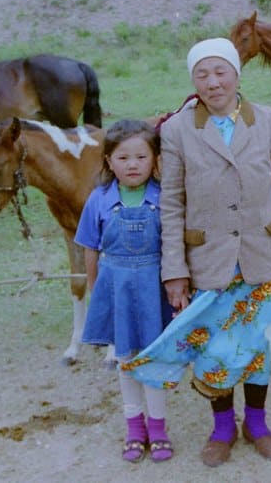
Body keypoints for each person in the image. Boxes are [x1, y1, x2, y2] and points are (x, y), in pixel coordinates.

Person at [121, 38, 271, 467]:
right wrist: (175, 271)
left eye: (220, 72)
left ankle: (258, 424)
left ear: (236, 74)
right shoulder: (175, 131)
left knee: (259, 347)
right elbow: (171, 204)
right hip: (208, 260)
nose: (212, 82)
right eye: (202, 75)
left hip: (264, 255)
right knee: (216, 349)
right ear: (193, 81)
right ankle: (223, 427)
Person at [74, 119, 175, 463]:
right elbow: (89, 248)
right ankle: (135, 427)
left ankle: (158, 428)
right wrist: (94, 290)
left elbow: (175, 248)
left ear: (155, 160)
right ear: (108, 162)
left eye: (141, 157)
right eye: (123, 158)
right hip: (115, 289)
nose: (132, 165)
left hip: (154, 290)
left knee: (154, 360)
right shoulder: (99, 200)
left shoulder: (164, 199)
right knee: (126, 361)